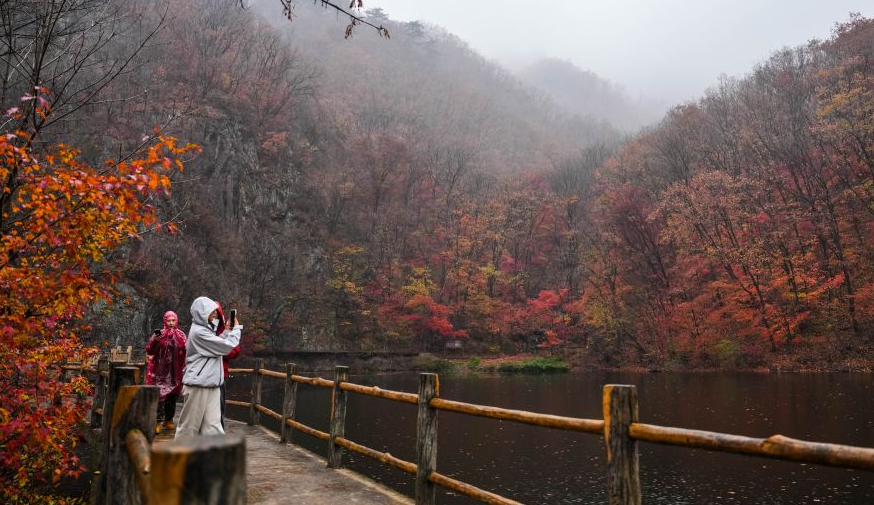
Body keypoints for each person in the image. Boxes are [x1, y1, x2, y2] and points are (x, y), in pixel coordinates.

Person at [175, 296, 242, 438]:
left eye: (215, 311)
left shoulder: (205, 330)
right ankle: (180, 458)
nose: (215, 314)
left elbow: (217, 342)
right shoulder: (199, 332)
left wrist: (227, 331)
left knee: (213, 428)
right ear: (201, 313)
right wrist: (236, 330)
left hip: (211, 384)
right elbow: (226, 347)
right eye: (211, 311)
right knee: (189, 428)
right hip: (198, 385)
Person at [145, 311, 187, 434]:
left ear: (176, 321)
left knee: (173, 396)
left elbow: (186, 350)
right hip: (160, 372)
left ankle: (168, 420)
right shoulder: (158, 335)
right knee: (160, 397)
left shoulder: (181, 335)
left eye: (173, 320)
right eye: (169, 320)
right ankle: (157, 421)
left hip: (175, 371)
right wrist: (156, 341)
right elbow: (150, 350)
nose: (171, 323)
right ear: (165, 321)